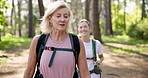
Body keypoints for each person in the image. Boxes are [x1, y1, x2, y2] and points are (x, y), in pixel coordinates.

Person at [23, 1, 90, 78]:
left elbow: (85, 74)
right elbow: (29, 72)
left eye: (66, 16)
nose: (62, 20)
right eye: (58, 16)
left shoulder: (76, 42)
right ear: (50, 19)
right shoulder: (38, 41)